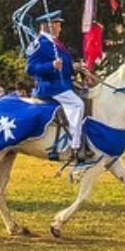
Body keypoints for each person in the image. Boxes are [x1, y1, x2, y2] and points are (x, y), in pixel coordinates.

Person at [27, 10, 88, 162]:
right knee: (77, 104)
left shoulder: (55, 43)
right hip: (50, 87)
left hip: (63, 83)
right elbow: (30, 68)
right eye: (58, 25)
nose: (60, 28)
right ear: (50, 25)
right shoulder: (39, 44)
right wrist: (51, 65)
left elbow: (64, 66)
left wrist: (75, 67)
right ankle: (74, 145)